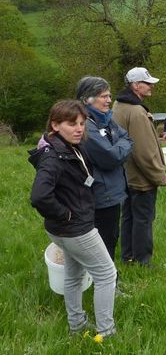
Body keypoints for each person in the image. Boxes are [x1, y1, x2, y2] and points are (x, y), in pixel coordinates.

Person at [29, 100, 117, 337]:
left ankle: (76, 325)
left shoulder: (69, 146)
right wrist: (65, 213)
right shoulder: (53, 156)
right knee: (106, 274)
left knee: (74, 274)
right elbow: (39, 196)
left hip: (63, 229)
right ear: (55, 125)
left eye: (81, 123)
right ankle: (107, 332)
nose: (79, 128)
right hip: (75, 229)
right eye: (71, 124)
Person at [112, 67, 166, 266]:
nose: (152, 86)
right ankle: (143, 261)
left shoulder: (119, 105)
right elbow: (143, 151)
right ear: (136, 86)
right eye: (147, 83)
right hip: (140, 178)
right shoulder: (136, 112)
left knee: (128, 216)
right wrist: (159, 175)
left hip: (125, 175)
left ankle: (128, 256)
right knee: (143, 219)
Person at [77, 76, 133, 261]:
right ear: (87, 100)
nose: (109, 100)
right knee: (104, 241)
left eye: (109, 95)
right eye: (103, 96)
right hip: (101, 193)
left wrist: (121, 143)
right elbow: (111, 157)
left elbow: (127, 137)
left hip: (111, 189)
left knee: (110, 236)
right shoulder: (85, 125)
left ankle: (105, 280)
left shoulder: (105, 119)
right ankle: (108, 283)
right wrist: (122, 145)